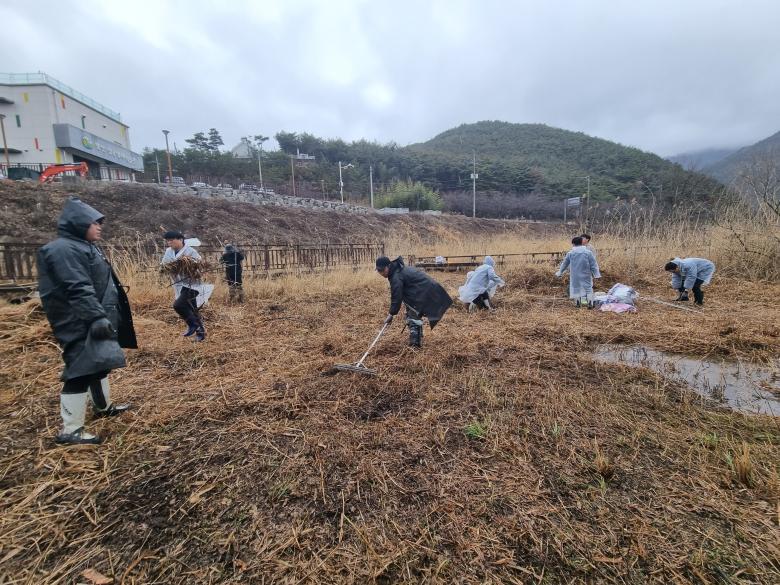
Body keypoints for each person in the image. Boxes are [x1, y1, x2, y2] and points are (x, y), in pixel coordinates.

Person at [37, 197, 137, 445]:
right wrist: (95, 317)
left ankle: (103, 407)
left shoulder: (83, 246)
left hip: (95, 315)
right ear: (77, 223)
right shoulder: (63, 249)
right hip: (78, 319)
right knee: (80, 369)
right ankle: (71, 429)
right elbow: (78, 288)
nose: (99, 227)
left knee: (99, 361)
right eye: (94, 223)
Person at [376, 256, 453, 348]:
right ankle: (418, 337)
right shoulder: (398, 269)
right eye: (379, 271)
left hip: (426, 292)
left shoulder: (396, 276)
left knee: (413, 315)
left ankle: (415, 345)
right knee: (412, 311)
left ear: (388, 266)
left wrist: (391, 314)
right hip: (425, 290)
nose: (381, 273)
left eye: (382, 270)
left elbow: (396, 297)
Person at [161, 231, 207, 341]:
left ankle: (192, 324)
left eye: (172, 240)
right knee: (193, 309)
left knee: (178, 305)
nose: (169, 243)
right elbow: (164, 265)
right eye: (168, 241)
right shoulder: (168, 251)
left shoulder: (190, 251)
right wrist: (168, 267)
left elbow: (199, 265)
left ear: (180, 239)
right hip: (179, 284)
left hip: (192, 284)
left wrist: (186, 265)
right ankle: (200, 333)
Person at [555, 236, 601, 307]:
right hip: (586, 274)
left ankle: (577, 304)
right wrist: (596, 274)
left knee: (576, 289)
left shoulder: (570, 253)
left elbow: (564, 264)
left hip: (575, 275)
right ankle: (590, 304)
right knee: (588, 288)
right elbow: (593, 264)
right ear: (581, 243)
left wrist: (560, 272)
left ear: (573, 244)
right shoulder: (588, 252)